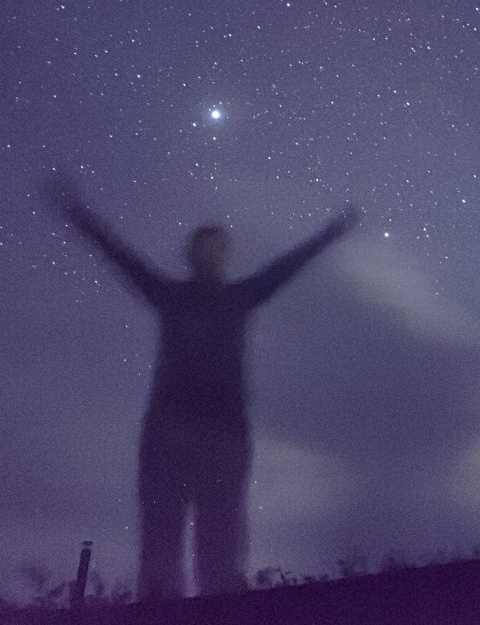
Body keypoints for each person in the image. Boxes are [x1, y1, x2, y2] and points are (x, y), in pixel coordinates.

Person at [47, 176, 359, 599]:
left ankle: (221, 607)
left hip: (224, 434)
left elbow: (285, 267)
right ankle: (159, 605)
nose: (209, 254)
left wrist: (329, 233)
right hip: (167, 431)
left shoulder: (241, 295)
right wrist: (76, 213)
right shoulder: (168, 294)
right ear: (190, 256)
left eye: (217, 248)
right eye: (202, 247)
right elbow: (118, 255)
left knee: (222, 537)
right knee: (160, 536)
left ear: (224, 257)